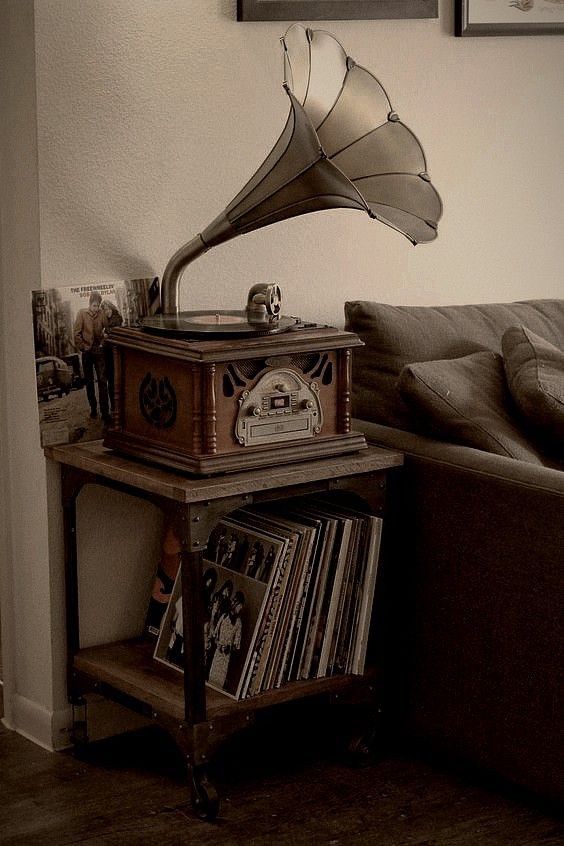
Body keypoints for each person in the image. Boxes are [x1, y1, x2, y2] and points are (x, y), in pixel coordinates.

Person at [73, 291, 110, 424]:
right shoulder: (81, 313)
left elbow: (108, 330)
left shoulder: (101, 314)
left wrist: (102, 344)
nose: (96, 308)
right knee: (89, 382)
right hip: (87, 353)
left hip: (99, 352)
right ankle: (93, 409)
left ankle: (105, 412)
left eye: (98, 306)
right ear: (90, 304)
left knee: (102, 380)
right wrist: (83, 347)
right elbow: (76, 333)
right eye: (94, 305)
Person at [208, 591, 245, 691]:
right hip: (217, 654)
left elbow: (237, 645)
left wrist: (229, 647)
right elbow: (215, 634)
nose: (240, 608)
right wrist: (218, 644)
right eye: (239, 605)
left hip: (226, 657)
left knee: (220, 682)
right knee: (212, 677)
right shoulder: (224, 616)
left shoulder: (238, 623)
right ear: (235, 603)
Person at [101, 299, 123, 412]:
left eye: (107, 309)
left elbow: (114, 333)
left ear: (111, 308)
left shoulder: (116, 318)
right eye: (104, 310)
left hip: (113, 354)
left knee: (114, 380)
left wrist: (106, 334)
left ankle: (116, 407)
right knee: (111, 380)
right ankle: (114, 407)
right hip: (109, 354)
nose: (106, 312)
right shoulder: (108, 321)